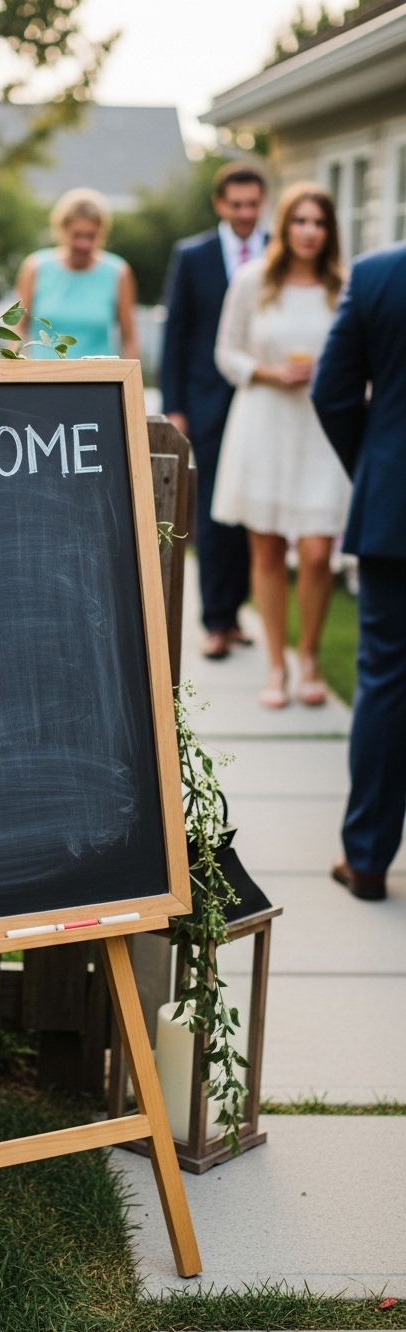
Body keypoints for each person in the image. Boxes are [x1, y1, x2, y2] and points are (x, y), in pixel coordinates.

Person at [212, 182, 350, 709]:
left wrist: (332, 376)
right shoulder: (253, 281)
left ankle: (308, 655)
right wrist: (268, 372)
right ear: (284, 226)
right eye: (300, 221)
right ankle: (276, 664)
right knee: (266, 549)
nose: (309, 231)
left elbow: (362, 359)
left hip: (320, 429)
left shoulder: (344, 285)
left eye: (319, 222)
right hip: (264, 421)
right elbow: (226, 352)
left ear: (329, 230)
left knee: (317, 552)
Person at [312, 243, 406, 902]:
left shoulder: (377, 275)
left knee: (388, 677)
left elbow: (332, 391)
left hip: (395, 506)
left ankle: (368, 860)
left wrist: (375, 464)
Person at [161, 162, 268, 660]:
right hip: (204, 403)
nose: (246, 214)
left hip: (261, 403)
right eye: (237, 204)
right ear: (220, 204)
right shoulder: (193, 255)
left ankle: (236, 610)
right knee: (210, 513)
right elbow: (176, 332)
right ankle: (214, 622)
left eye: (253, 204)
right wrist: (176, 406)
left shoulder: (277, 254)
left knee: (250, 509)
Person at [16, 187, 139, 360]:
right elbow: (18, 330)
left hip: (99, 381)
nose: (84, 244)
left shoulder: (118, 272)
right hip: (43, 379)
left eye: (91, 236)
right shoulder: (34, 267)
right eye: (77, 235)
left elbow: (129, 340)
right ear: (62, 230)